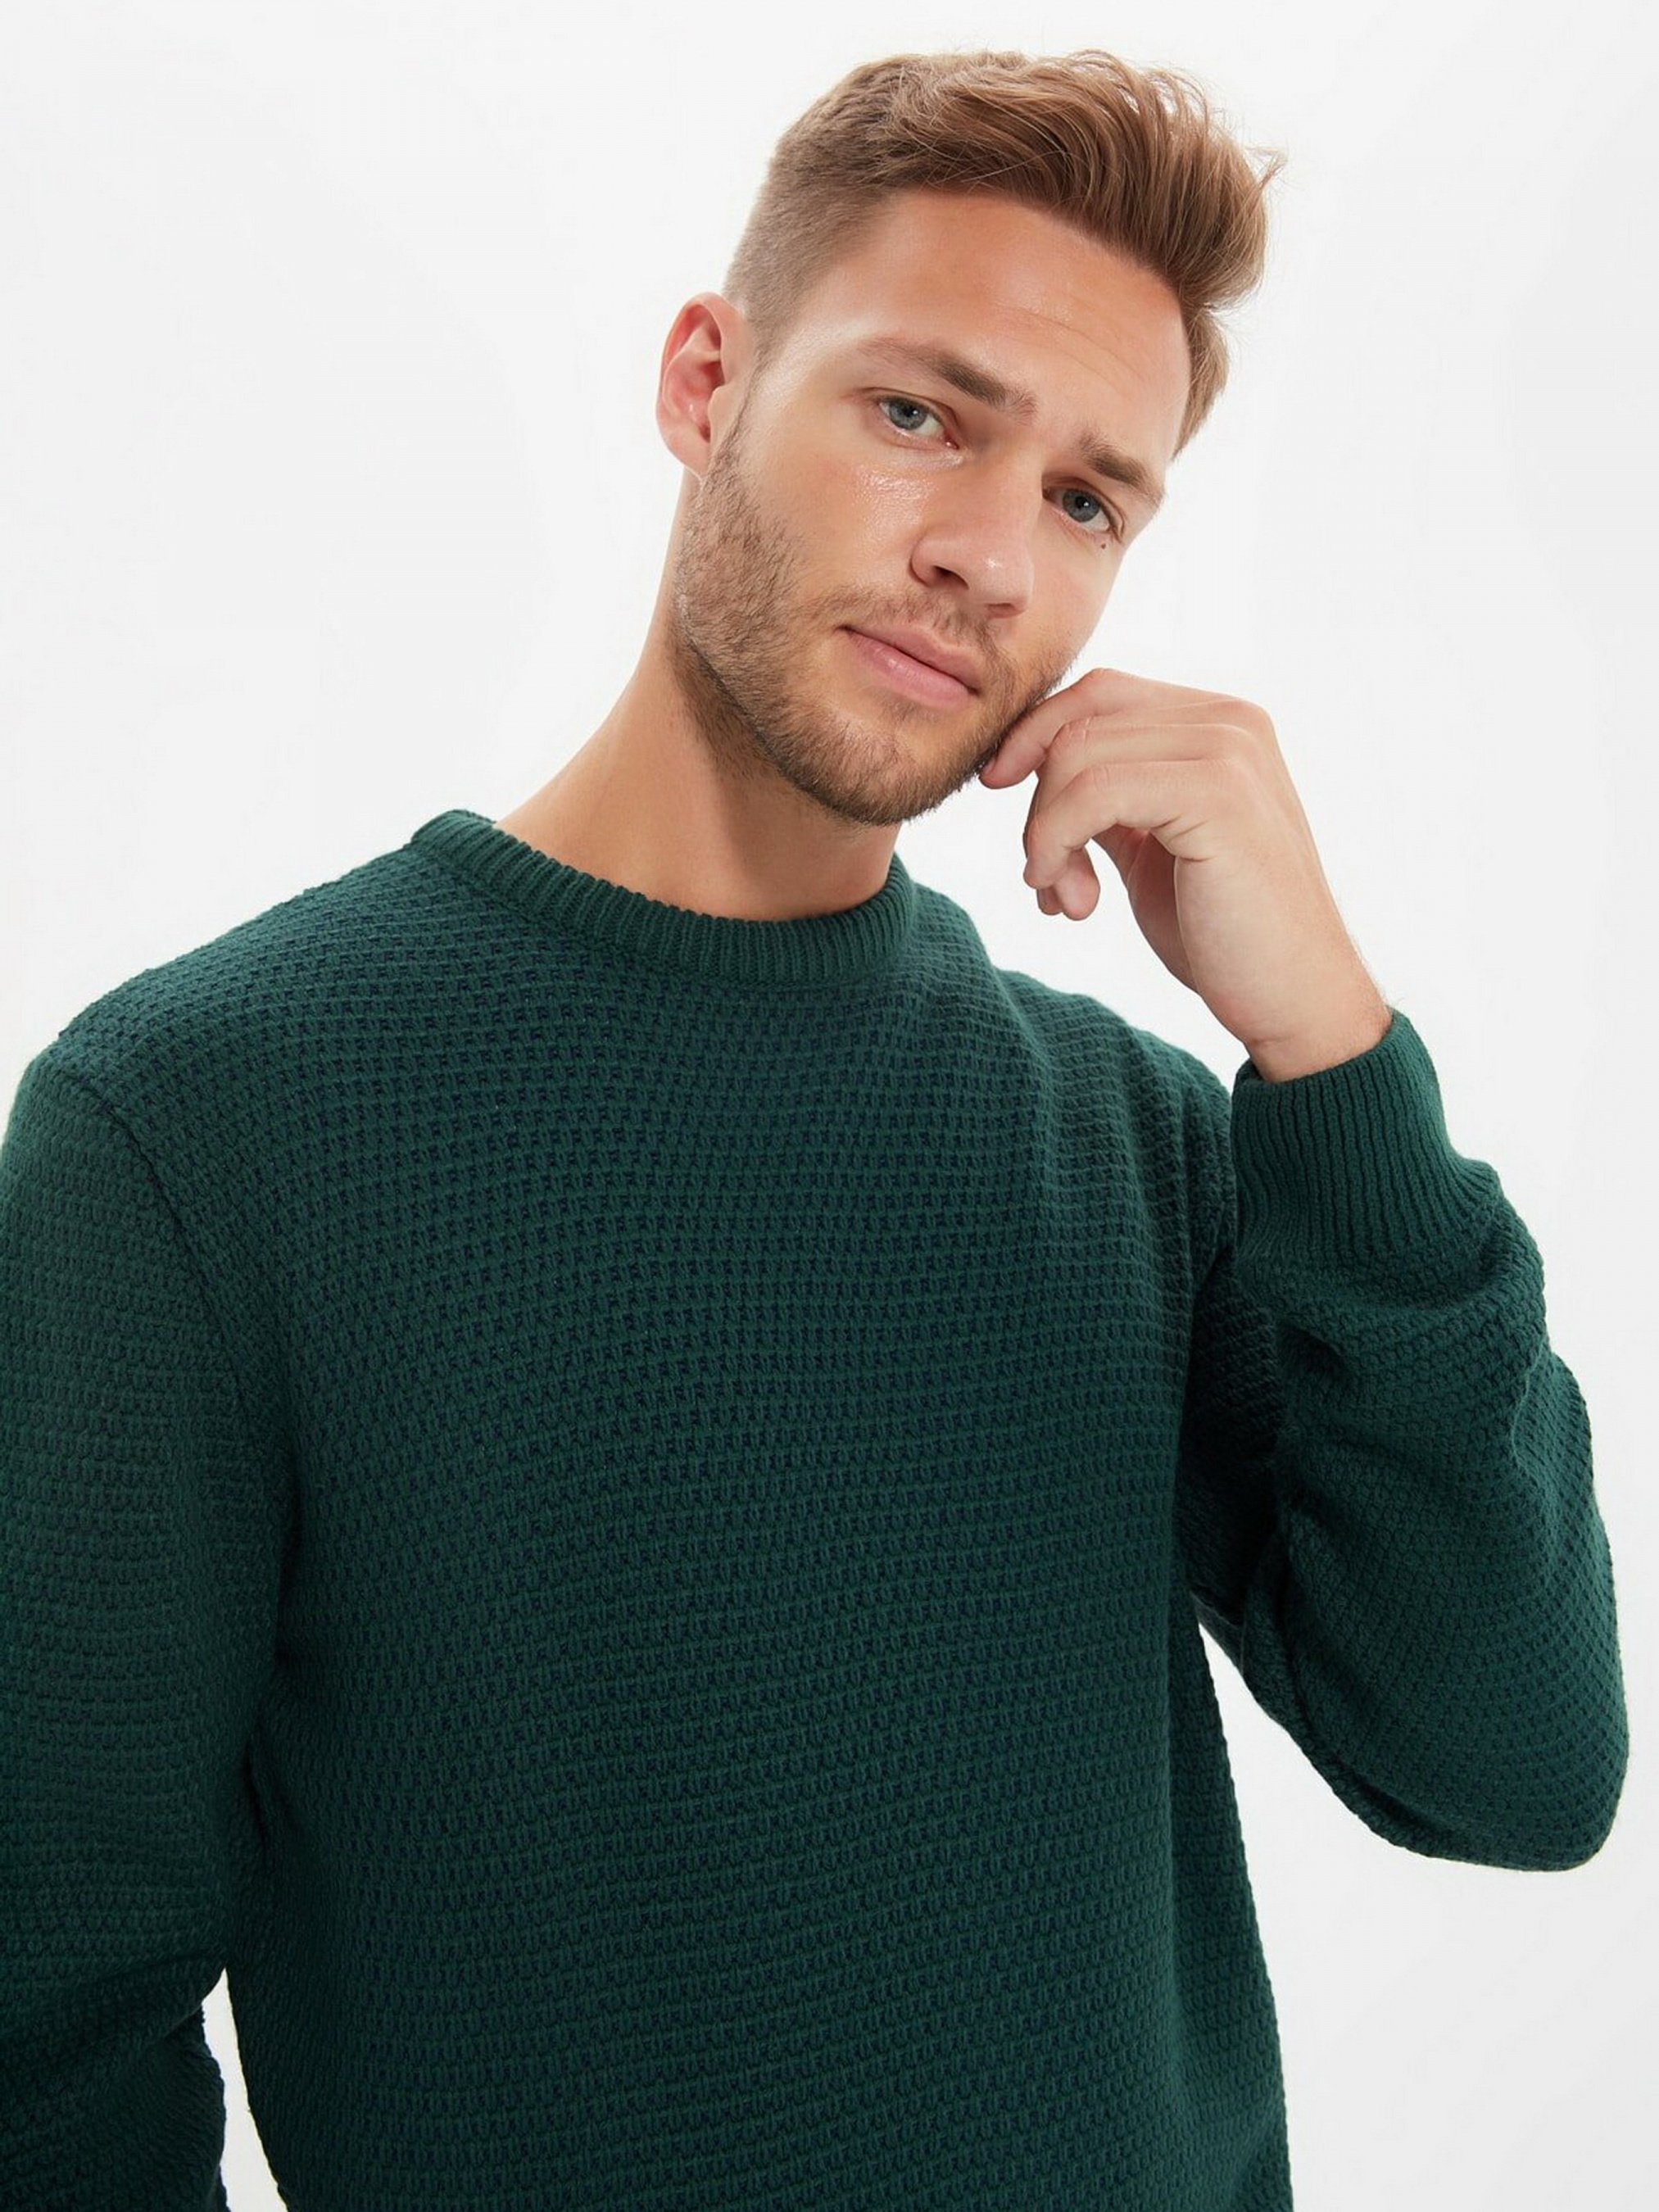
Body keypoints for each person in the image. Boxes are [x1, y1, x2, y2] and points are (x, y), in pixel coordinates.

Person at [0, 46, 1628, 2212]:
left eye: (1088, 500)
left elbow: (1517, 1771)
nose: (987, 556)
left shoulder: (1142, 1147)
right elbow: (47, 2033)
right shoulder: (197, 1129)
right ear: (708, 381)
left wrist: (1332, 1055)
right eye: (920, 413)